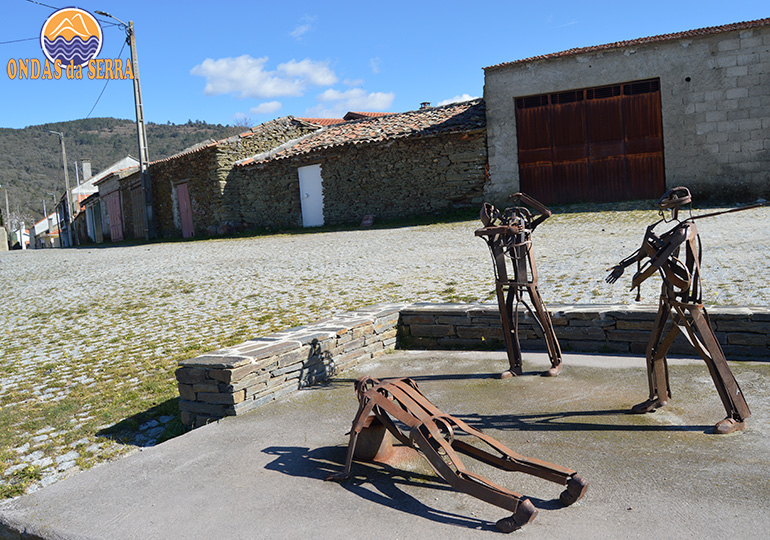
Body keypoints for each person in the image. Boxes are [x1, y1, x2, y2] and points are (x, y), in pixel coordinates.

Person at [606, 187, 750, 434]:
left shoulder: (685, 231)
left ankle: (736, 415)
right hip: (668, 299)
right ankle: (658, 397)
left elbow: (658, 260)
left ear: (678, 208)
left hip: (689, 303)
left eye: (669, 210)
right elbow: (647, 251)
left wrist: (639, 276)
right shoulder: (673, 231)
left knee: (711, 356)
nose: (666, 215)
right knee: (654, 350)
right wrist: (623, 265)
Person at [475, 193, 562, 377]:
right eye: (509, 218)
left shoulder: (527, 227)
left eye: (515, 218)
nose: (512, 221)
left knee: (543, 320)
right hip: (506, 282)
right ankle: (515, 366)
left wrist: (524, 198)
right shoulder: (500, 232)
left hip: (528, 280)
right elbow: (487, 233)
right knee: (508, 322)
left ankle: (556, 361)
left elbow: (546, 213)